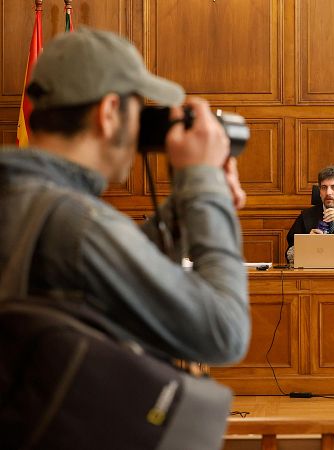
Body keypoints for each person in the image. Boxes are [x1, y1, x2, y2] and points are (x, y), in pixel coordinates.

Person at [0, 28, 250, 364]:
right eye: (138, 111)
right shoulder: (77, 224)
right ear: (109, 112)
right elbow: (224, 332)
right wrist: (204, 186)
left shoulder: (19, 195)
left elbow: (99, 270)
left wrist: (187, 203)